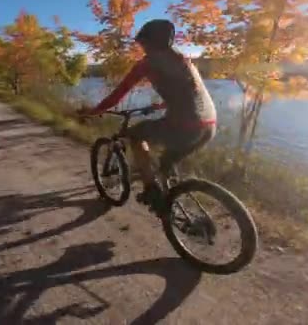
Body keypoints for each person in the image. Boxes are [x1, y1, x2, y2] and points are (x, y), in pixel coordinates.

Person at [79, 19, 217, 206]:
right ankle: (171, 204)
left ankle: (151, 190)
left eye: (143, 42)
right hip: (208, 126)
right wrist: (160, 106)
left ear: (150, 42)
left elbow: (117, 96)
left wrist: (94, 111)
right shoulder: (185, 61)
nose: (141, 47)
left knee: (136, 136)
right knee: (166, 163)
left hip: (185, 128)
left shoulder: (147, 64)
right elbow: (187, 94)